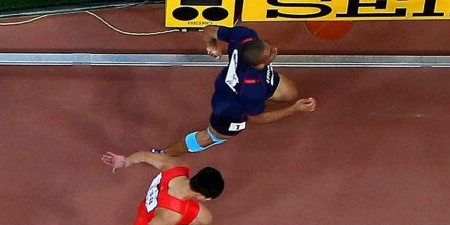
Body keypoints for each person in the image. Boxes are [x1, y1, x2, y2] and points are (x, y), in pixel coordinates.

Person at [120, 24, 317, 160]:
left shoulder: (245, 36)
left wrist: (211, 45)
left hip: (237, 85)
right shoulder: (252, 88)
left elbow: (208, 30)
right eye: (271, 53)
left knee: (290, 91)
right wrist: (294, 109)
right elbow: (257, 118)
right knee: (210, 137)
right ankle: (165, 154)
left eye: (269, 46)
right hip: (229, 108)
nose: (275, 49)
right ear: (261, 64)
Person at [86, 150, 222, 225]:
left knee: (206, 218)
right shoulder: (172, 215)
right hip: (147, 224)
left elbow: (143, 155)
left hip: (153, 207)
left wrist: (126, 161)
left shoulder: (176, 165)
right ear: (202, 196)